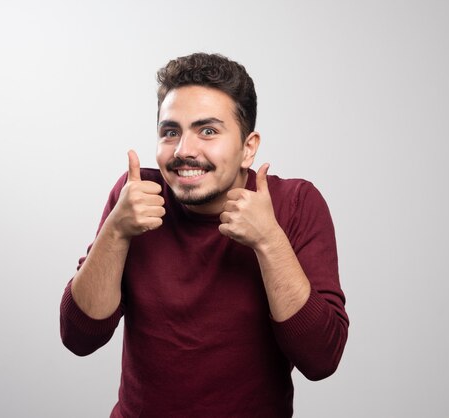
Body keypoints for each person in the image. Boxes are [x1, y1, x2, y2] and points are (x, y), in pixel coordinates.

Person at [60, 52, 349, 417]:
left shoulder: (295, 203)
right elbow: (79, 337)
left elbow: (321, 359)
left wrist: (269, 241)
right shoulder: (137, 195)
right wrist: (116, 231)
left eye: (208, 131)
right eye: (170, 132)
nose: (184, 151)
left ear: (248, 147)